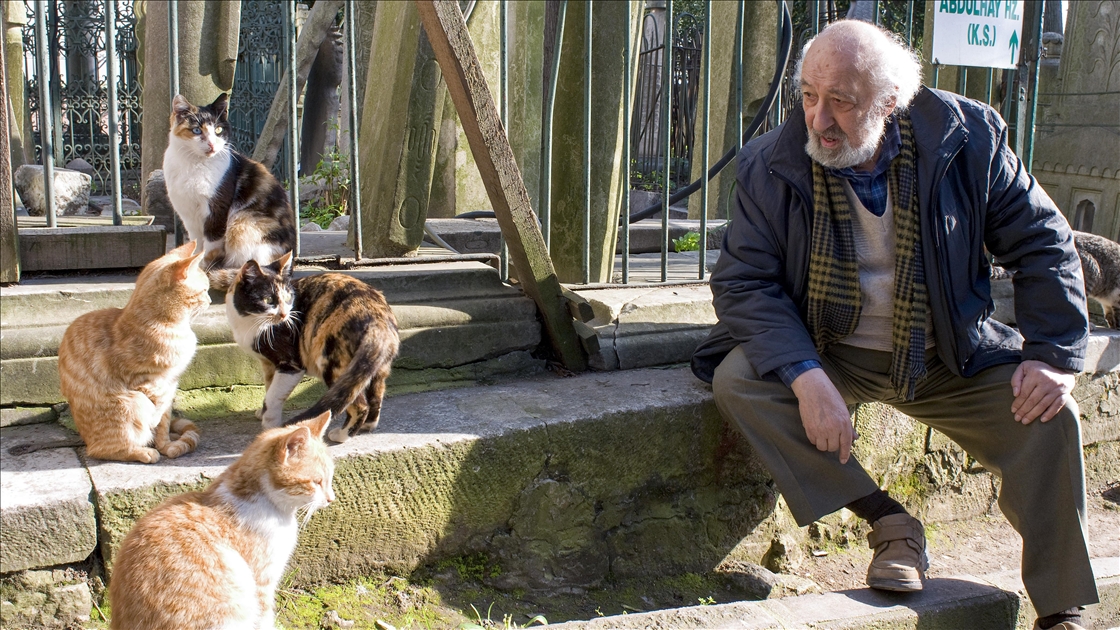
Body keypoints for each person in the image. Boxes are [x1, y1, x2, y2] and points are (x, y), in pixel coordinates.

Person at [691, 19, 1097, 630]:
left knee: (1050, 416)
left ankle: (1062, 608)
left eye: (841, 101)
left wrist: (1054, 353)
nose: (818, 120)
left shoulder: (968, 139)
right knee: (740, 380)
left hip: (948, 353)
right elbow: (745, 283)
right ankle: (890, 523)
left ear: (889, 103)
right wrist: (805, 376)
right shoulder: (769, 164)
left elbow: (1044, 242)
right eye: (808, 95)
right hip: (831, 348)